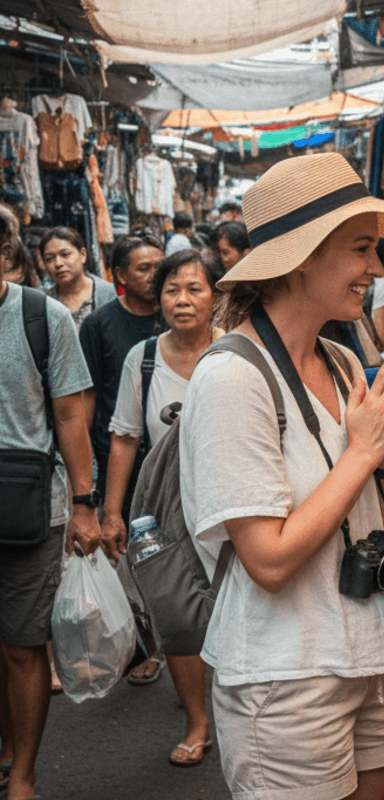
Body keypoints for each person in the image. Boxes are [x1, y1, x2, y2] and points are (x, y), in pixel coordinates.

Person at [180, 152, 384, 800]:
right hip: (287, 674)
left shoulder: (341, 361)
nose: (377, 268)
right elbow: (269, 560)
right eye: (361, 249)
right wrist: (363, 453)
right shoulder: (231, 378)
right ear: (301, 258)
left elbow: (376, 507)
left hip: (370, 650)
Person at [102, 248, 223, 767]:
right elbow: (125, 437)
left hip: (231, 498)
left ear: (215, 297)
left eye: (194, 289)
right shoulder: (144, 358)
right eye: (172, 290)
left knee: (240, 605)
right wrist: (112, 513)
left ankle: (240, 711)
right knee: (176, 613)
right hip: (166, 508)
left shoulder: (236, 351)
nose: (182, 300)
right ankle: (198, 721)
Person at [0, 220, 104, 800]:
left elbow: (70, 415)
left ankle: (23, 775)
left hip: (30, 506)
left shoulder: (43, 317)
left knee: (22, 644)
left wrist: (85, 505)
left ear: (5, 252)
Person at [78, 234, 166, 685]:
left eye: (159, 265)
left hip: (171, 457)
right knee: (131, 558)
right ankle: (147, 645)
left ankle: (183, 642)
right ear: (119, 276)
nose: (155, 275)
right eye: (143, 268)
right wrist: (88, 478)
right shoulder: (100, 325)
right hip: (121, 460)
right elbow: (87, 397)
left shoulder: (177, 315)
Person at [41, 226, 118, 329]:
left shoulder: (111, 295)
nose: (58, 263)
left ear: (82, 255)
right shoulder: (42, 303)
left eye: (65, 254)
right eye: (50, 259)